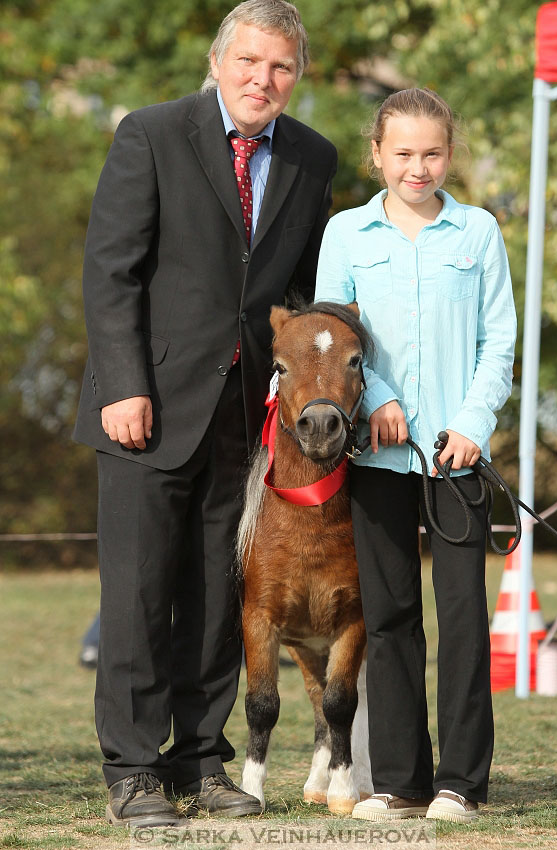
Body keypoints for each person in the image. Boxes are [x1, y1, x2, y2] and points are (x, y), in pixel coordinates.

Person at [73, 0, 337, 828]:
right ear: (221, 60)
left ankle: (202, 761)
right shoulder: (151, 134)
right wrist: (122, 384)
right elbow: (111, 270)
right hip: (143, 407)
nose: (263, 79)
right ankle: (133, 770)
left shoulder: (311, 157)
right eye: (250, 61)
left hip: (249, 416)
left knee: (224, 596)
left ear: (298, 75)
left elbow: (299, 290)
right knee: (141, 594)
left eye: (281, 66)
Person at [314, 88, 516, 824]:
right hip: (376, 458)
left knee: (462, 618)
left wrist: (468, 422)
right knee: (391, 616)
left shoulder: (478, 231)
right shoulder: (344, 233)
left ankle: (461, 782)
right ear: (376, 154)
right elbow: (331, 336)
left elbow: (498, 342)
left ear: (448, 154)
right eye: (402, 153)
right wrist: (376, 399)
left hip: (458, 461)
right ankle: (396, 781)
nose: (417, 166)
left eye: (431, 152)